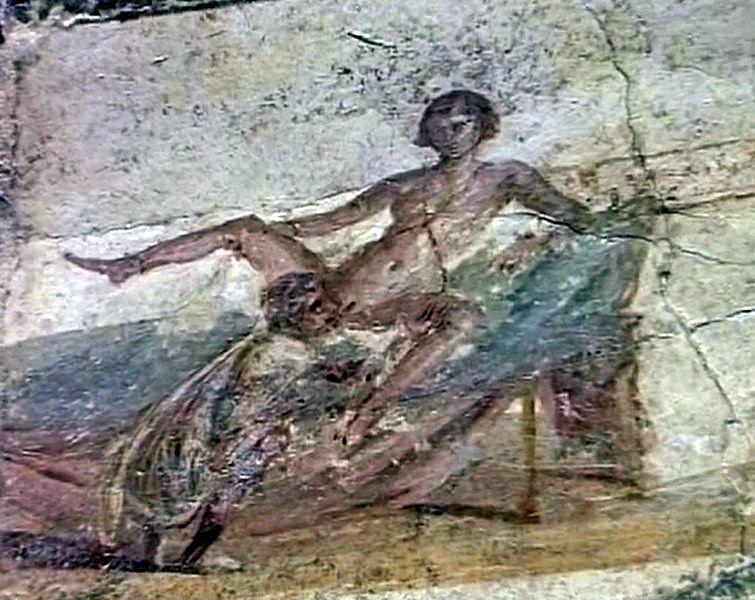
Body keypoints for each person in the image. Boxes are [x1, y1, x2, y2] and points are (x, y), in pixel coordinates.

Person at [63, 89, 651, 568]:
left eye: (463, 120)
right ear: (427, 131)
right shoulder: (403, 185)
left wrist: (610, 220)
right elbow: (332, 222)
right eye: (441, 120)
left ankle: (370, 410)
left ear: (483, 128)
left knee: (460, 317)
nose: (452, 130)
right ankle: (129, 265)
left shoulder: (506, 177)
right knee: (245, 228)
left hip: (392, 306)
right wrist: (279, 232)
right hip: (333, 285)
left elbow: (573, 214)